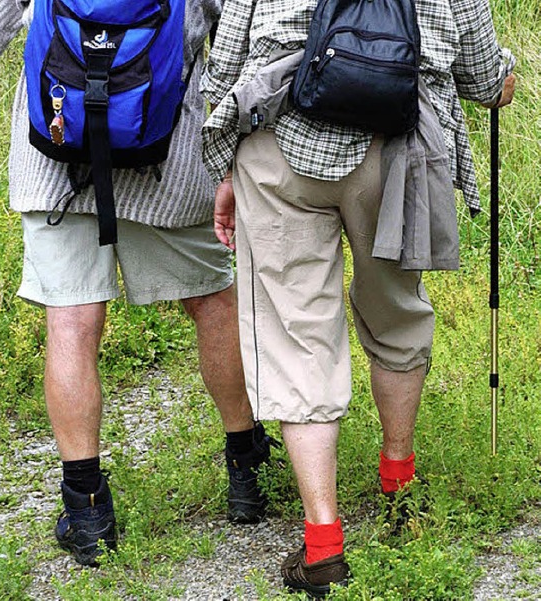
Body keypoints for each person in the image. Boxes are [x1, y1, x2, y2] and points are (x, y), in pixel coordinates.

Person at [0, 0, 278, 567]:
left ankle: (86, 509)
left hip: (56, 153)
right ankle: (246, 466)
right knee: (209, 299)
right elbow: (241, 33)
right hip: (169, 152)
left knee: (73, 320)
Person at [201, 0, 515, 596]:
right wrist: (504, 77)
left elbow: (226, 68)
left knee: (296, 333)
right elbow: (484, 78)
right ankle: (399, 488)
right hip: (396, 146)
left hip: (283, 144)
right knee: (396, 309)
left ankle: (322, 544)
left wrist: (225, 170)